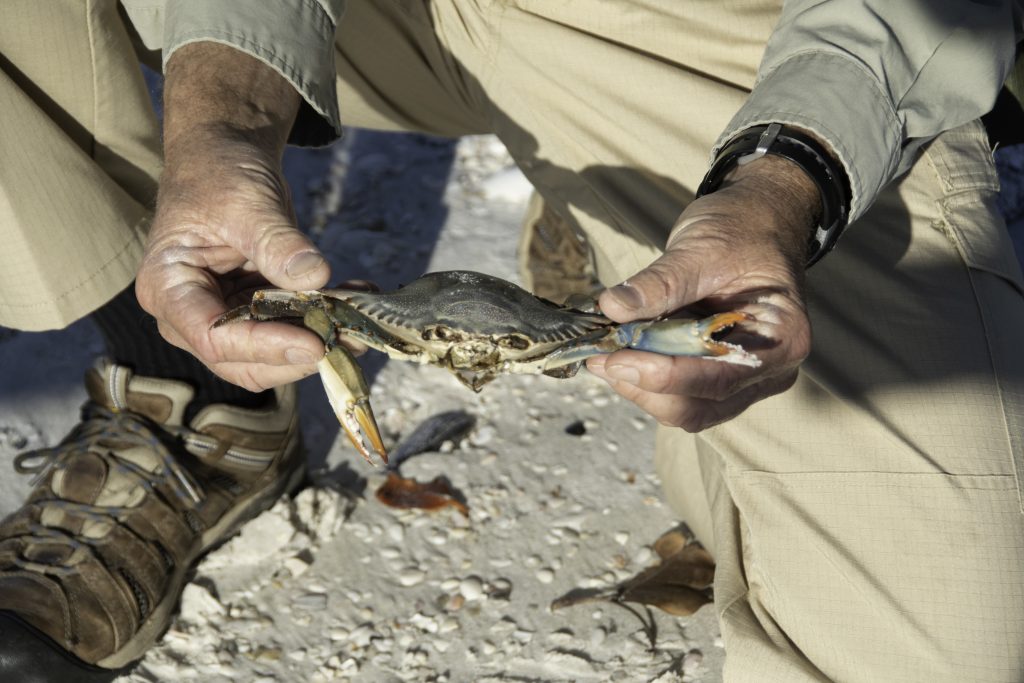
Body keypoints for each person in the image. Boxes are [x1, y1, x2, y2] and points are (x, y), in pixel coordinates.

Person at [1, 1, 1021, 680]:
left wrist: (778, 184)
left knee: (934, 635)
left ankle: (622, 196)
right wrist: (218, 123)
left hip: (717, 34)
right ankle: (190, 390)